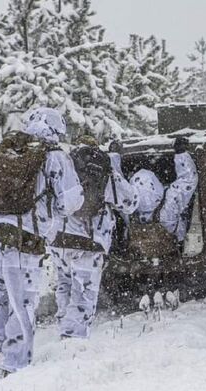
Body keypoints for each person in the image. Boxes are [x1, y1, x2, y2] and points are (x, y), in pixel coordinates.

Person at [0, 107, 84, 376]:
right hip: (24, 237)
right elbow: (70, 201)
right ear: (56, 129)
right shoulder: (55, 157)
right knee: (23, 300)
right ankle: (15, 362)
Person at [49, 135, 138, 339]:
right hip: (88, 242)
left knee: (65, 283)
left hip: (58, 239)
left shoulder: (62, 167)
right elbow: (130, 202)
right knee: (83, 292)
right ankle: (73, 337)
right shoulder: (101, 170)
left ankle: (64, 325)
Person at [129, 137, 198, 243]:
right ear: (154, 185)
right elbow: (188, 180)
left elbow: (116, 189)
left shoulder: (131, 210)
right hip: (177, 246)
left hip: (144, 251)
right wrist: (181, 153)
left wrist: (113, 156)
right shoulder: (169, 205)